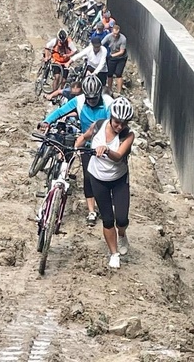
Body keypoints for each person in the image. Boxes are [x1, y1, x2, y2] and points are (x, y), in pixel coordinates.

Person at [40, 75, 113, 226]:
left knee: (104, 178)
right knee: (88, 177)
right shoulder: (79, 101)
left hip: (105, 145)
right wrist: (47, 121)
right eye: (89, 98)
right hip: (86, 144)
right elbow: (60, 112)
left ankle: (106, 202)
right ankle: (91, 210)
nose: (91, 101)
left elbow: (115, 124)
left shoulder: (108, 103)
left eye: (94, 98)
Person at [74, 97, 135, 269]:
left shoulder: (128, 135)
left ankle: (122, 234)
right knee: (108, 219)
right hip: (97, 178)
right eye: (117, 122)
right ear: (111, 117)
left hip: (119, 180)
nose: (119, 126)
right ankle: (114, 253)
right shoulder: (99, 125)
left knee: (121, 218)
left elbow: (119, 156)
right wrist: (75, 147)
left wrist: (107, 150)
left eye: (123, 123)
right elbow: (84, 138)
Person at [102, 25, 128, 94]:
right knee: (110, 74)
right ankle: (109, 90)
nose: (115, 35)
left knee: (118, 74)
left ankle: (119, 92)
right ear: (112, 31)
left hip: (121, 58)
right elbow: (101, 43)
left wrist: (111, 55)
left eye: (117, 34)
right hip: (112, 57)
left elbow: (121, 52)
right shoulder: (108, 36)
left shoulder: (123, 39)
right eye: (114, 34)